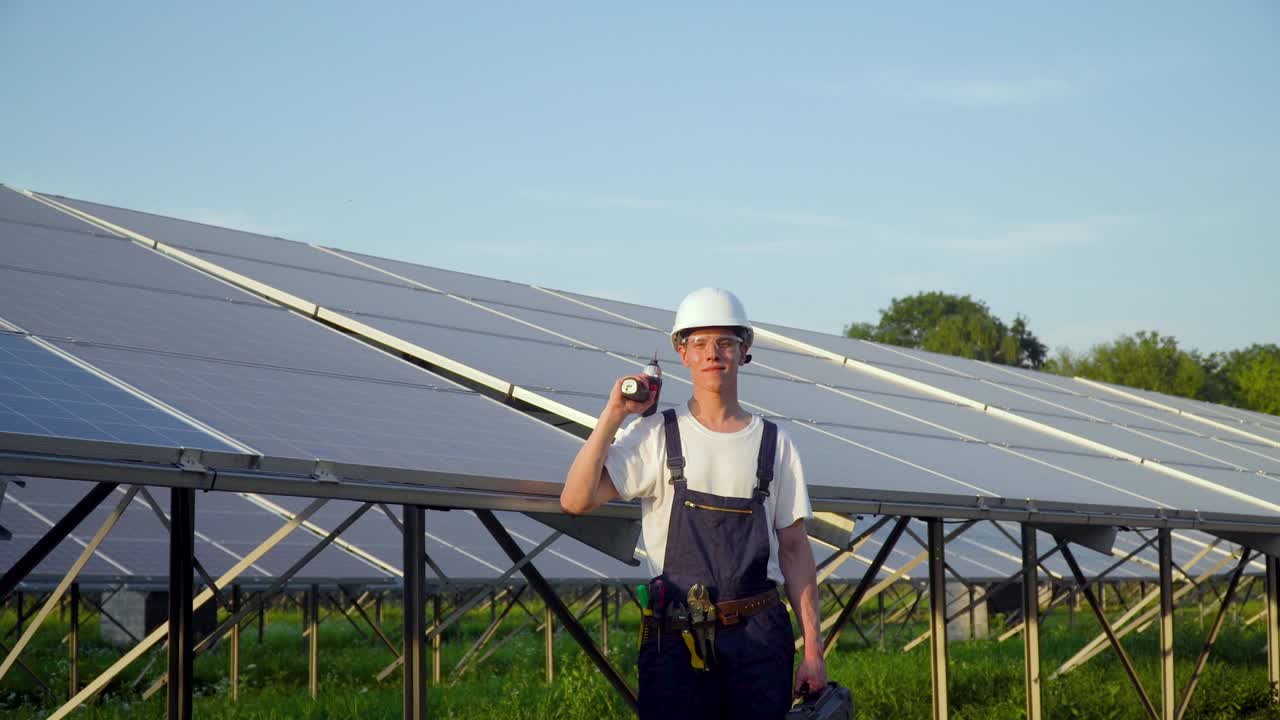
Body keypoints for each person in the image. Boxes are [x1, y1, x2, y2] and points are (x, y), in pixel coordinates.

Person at [561, 287, 826, 720]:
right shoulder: (654, 435)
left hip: (760, 642)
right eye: (699, 343)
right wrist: (613, 415)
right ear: (682, 354)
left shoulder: (776, 444)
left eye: (725, 343)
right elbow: (574, 499)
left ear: (744, 352)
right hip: (675, 642)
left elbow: (796, 550)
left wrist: (812, 651)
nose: (712, 354)